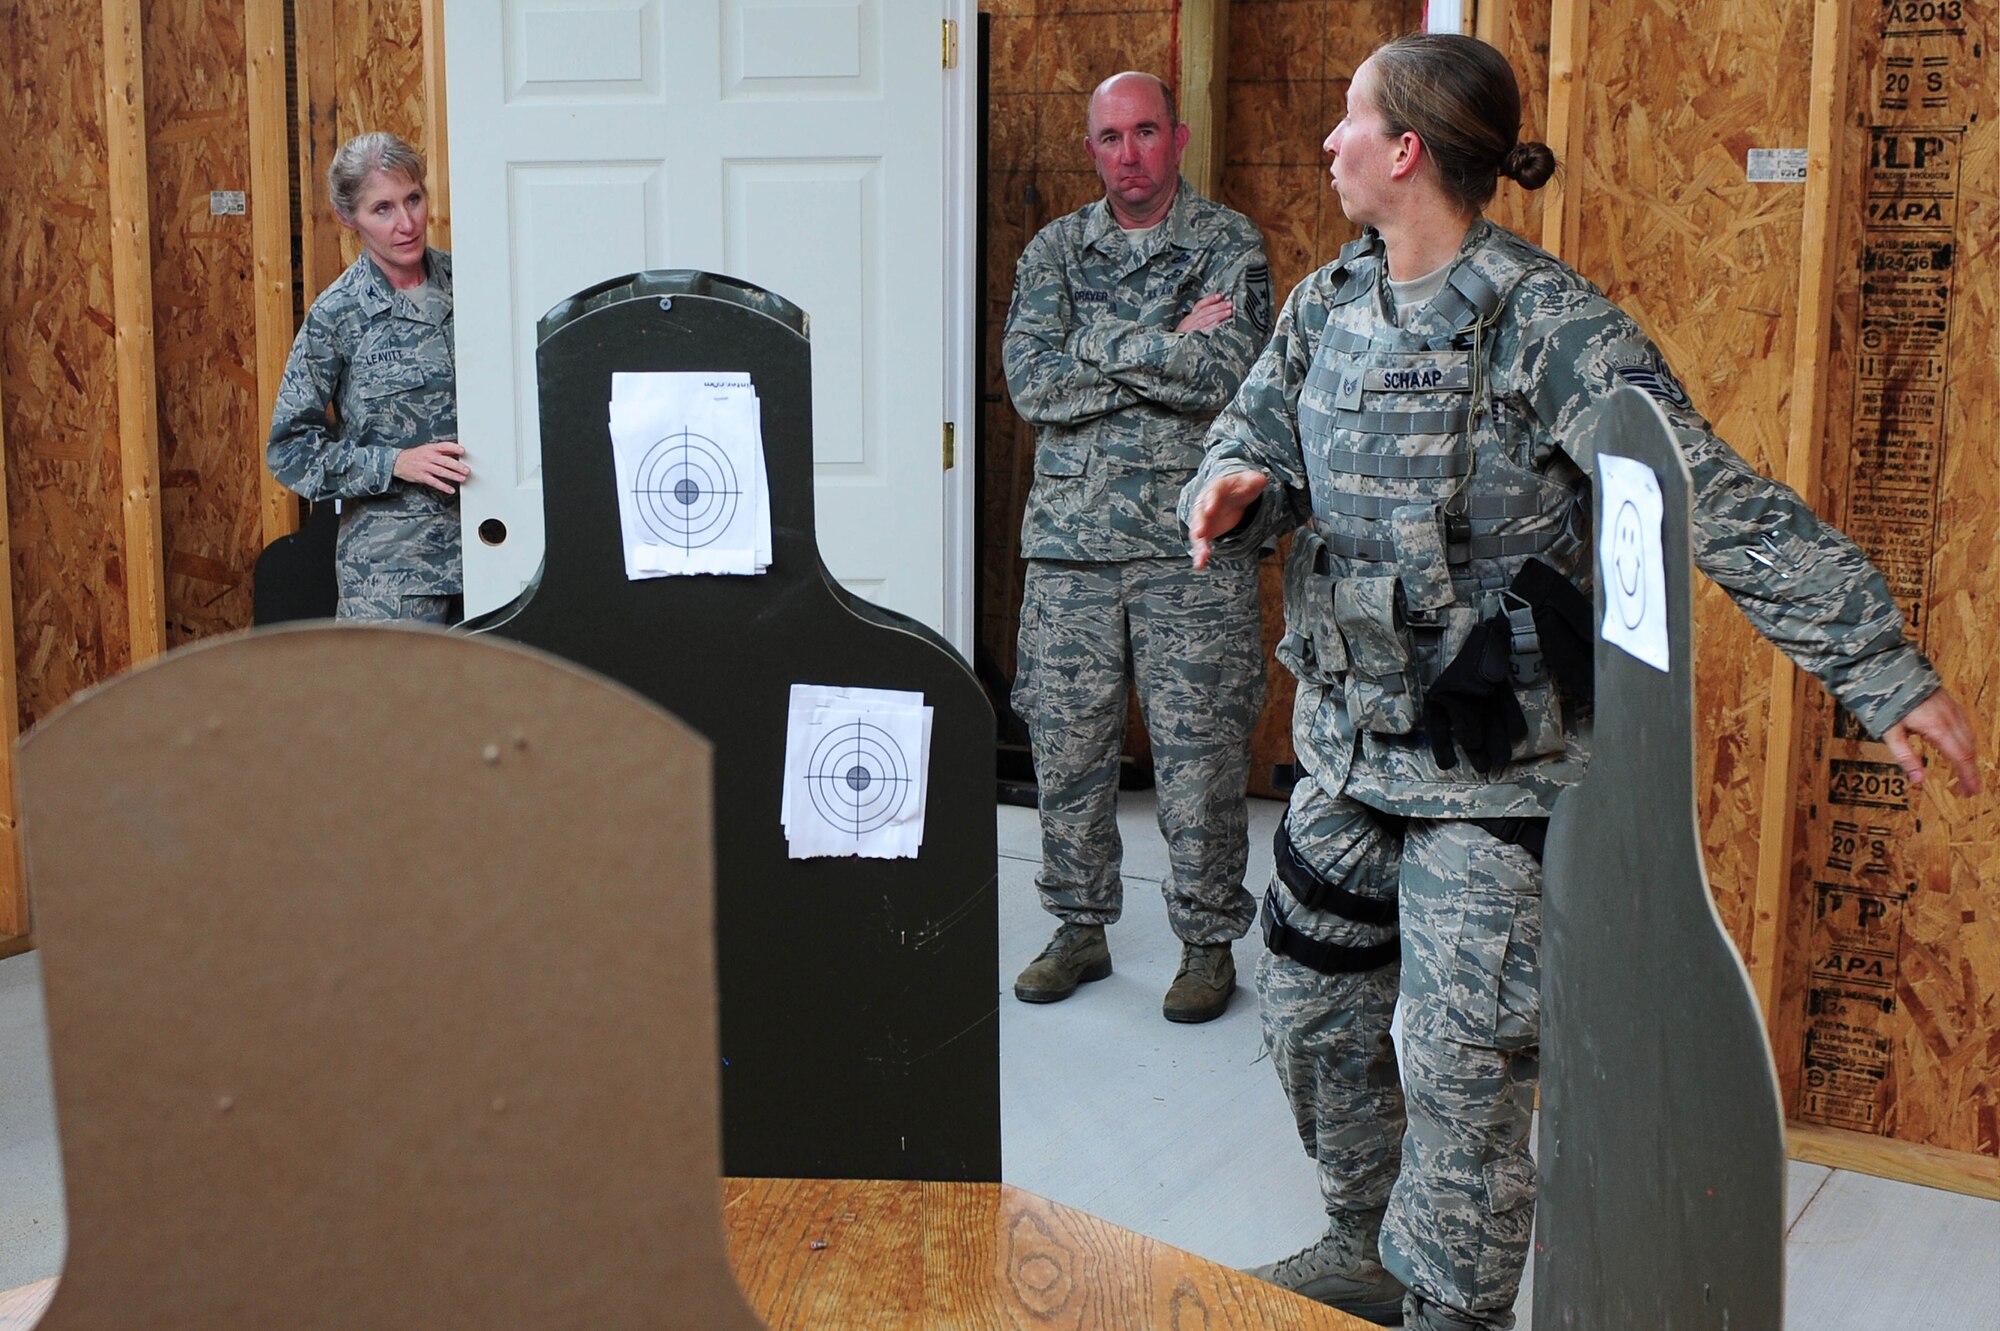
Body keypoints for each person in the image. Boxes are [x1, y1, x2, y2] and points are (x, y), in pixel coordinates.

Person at [1180, 33, 1981, 1331]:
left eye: (1347, 120)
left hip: (1498, 776)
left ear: (1405, 151)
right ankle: (1360, 1242)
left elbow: (1707, 498)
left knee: (1459, 1072)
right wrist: (1230, 487)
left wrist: (1875, 664)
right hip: (1346, 750)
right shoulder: (1325, 304)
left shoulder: (1545, 326)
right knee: (1313, 1015)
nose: (1327, 143)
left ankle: (1453, 1306)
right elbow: (1254, 430)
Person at [1004, 71, 1276, 1024]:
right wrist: (1160, 334)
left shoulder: (1227, 244)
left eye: (1146, 132)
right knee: (1066, 747)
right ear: (1093, 149)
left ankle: (1207, 944)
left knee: (1199, 752)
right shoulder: (1053, 251)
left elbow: (1224, 373)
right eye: (1110, 138)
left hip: (1188, 547)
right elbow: (1033, 386)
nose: (1129, 154)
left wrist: (1098, 345)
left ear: (1178, 137)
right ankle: (1079, 926)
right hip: (1070, 550)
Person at [268, 131, 470, 623]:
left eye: (414, 200)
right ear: (347, 218)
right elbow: (291, 451)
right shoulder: (336, 314)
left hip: (495, 553)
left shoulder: (475, 283)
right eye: (382, 209)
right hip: (391, 577)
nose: (406, 223)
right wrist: (394, 463)